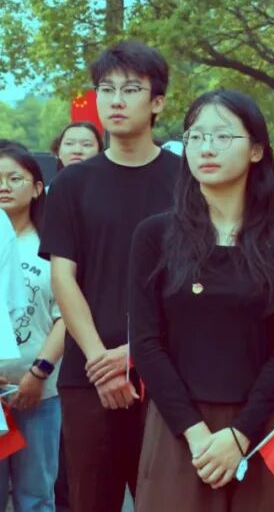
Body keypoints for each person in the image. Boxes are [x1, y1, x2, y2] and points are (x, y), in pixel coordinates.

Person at [129, 89, 274, 511]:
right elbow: (147, 343)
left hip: (266, 423)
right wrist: (197, 436)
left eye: (223, 136)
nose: (206, 148)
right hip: (180, 428)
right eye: (196, 136)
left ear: (257, 150)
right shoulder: (155, 236)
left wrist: (240, 435)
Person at [39, 40, 181, 512]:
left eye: (131, 89)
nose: (116, 100)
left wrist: (136, 352)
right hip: (89, 373)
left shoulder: (188, 181)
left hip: (168, 372)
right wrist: (101, 358)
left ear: (157, 102)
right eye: (107, 88)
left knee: (166, 501)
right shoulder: (71, 183)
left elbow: (193, 282)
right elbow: (63, 278)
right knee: (89, 500)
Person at [0, 146, 65, 512]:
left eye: (14, 178)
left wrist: (38, 373)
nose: (4, 187)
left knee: (36, 496)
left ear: (38, 188)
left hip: (40, 391)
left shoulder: (53, 246)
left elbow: (66, 317)